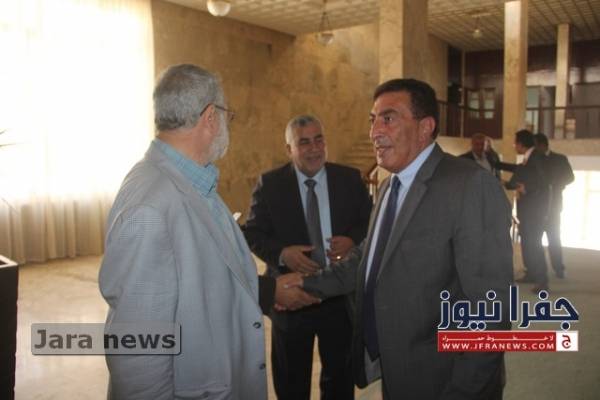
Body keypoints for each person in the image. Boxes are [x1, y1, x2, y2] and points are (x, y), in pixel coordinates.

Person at [98, 64, 317, 400]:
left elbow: (204, 277)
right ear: (211, 117)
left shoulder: (192, 181)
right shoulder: (150, 207)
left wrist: (268, 289)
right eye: (228, 116)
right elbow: (139, 356)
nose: (228, 125)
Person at [288, 79, 513, 399]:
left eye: (388, 118)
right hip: (399, 369)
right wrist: (305, 285)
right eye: (373, 120)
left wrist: (464, 391)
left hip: (444, 378)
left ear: (425, 127)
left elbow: (492, 307)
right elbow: (368, 258)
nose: (374, 132)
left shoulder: (470, 186)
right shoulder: (388, 188)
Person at [243, 115, 372, 400]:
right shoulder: (271, 184)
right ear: (289, 149)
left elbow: (370, 222)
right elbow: (253, 232)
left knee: (340, 380)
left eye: (319, 139)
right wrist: (282, 254)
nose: (314, 148)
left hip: (337, 297)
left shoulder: (349, 179)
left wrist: (352, 240)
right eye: (304, 142)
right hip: (290, 297)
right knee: (292, 383)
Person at [498, 130, 550, 292]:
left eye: (515, 143)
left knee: (534, 243)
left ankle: (542, 282)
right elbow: (521, 176)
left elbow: (545, 180)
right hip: (527, 208)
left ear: (521, 144)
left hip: (535, 209)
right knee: (527, 241)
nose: (514, 146)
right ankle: (531, 273)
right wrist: (506, 183)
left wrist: (526, 188)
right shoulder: (527, 159)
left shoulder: (537, 156)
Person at [534, 132, 574, 278]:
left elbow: (570, 177)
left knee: (554, 237)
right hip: (536, 206)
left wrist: (556, 185)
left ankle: (558, 268)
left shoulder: (560, 159)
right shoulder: (534, 159)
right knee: (535, 239)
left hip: (554, 204)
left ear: (542, 145)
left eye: (535, 146)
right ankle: (536, 269)